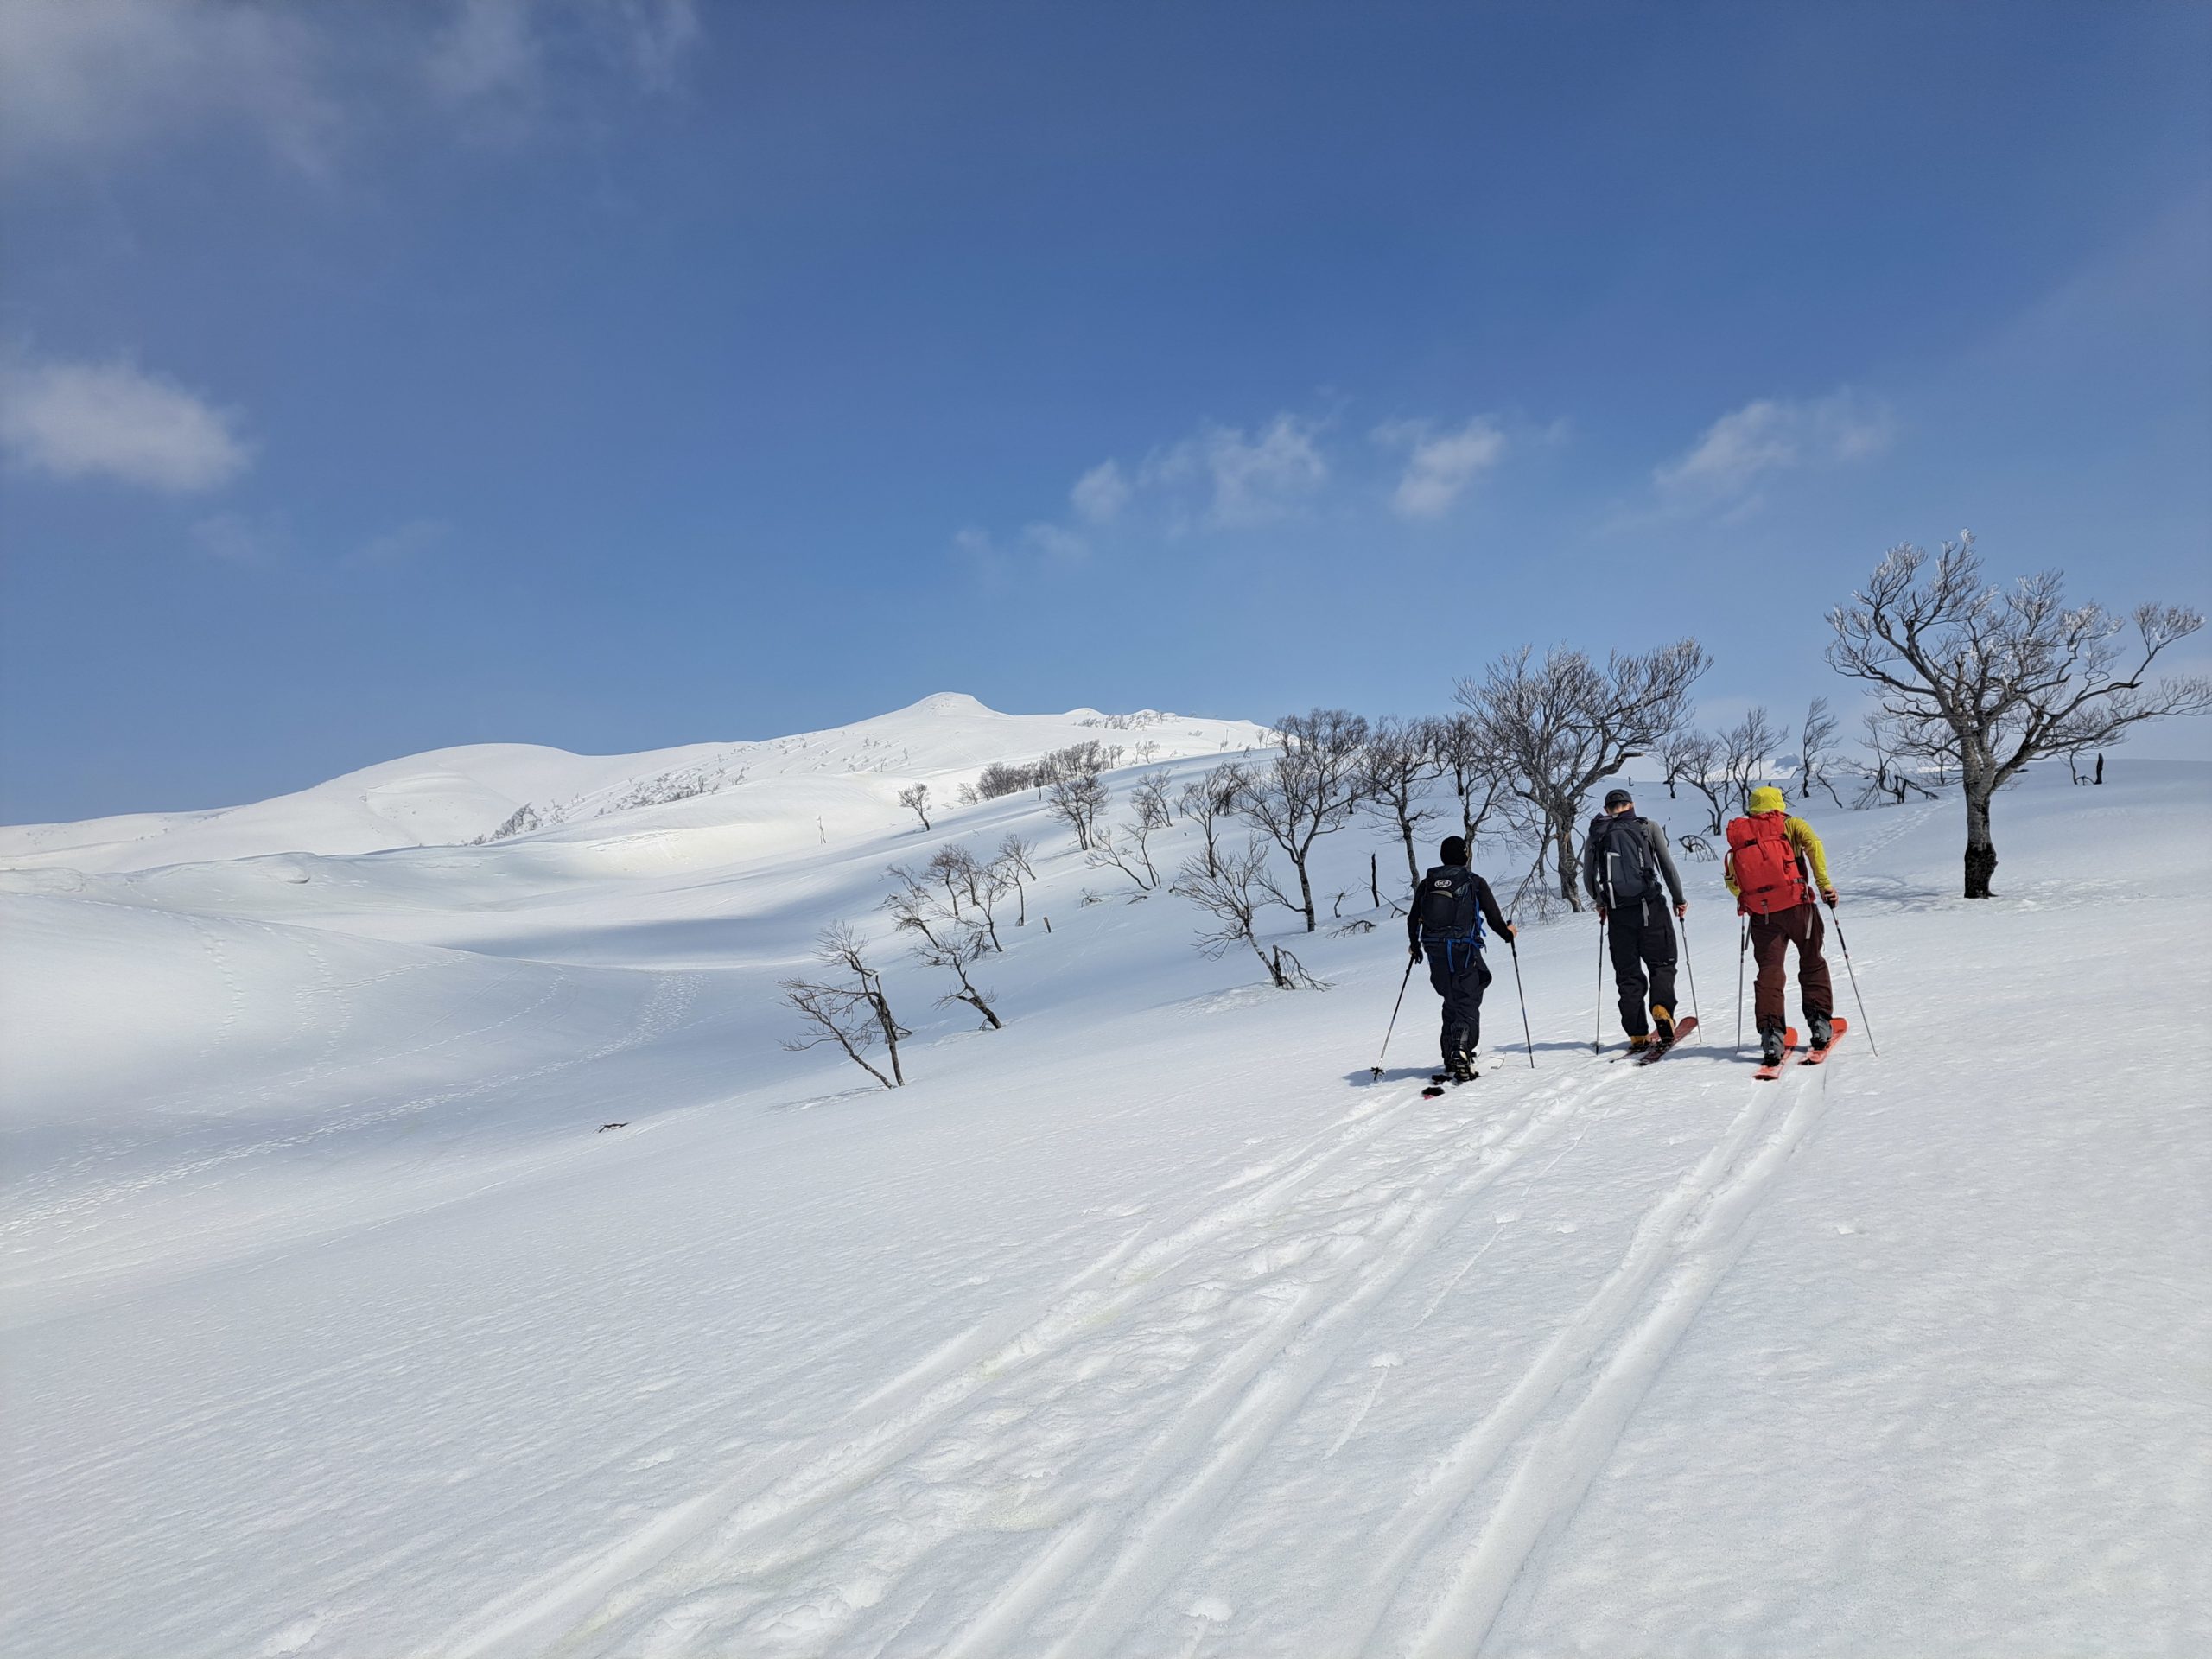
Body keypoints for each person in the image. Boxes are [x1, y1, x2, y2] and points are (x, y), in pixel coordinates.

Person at [1724, 785, 1840, 1065]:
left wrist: (1746, 899)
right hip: (1798, 907)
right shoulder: (1791, 824)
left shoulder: (1742, 834)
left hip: (1762, 916)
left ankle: (1772, 1039)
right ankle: (1820, 1027)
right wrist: (1824, 885)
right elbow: (1814, 844)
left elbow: (1730, 877)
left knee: (1770, 973)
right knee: (1811, 960)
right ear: (1779, 803)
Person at [1581, 786, 1688, 1051]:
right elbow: (1667, 866)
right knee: (1662, 963)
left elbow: (1587, 876)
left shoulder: (1597, 832)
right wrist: (1679, 899)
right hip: (1651, 908)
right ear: (1630, 805)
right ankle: (1662, 1009)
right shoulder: (1647, 827)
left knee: (1627, 974)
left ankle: (1637, 1034)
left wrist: (1601, 901)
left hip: (1618, 913)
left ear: (1608, 810)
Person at [1408, 835, 1516, 1083]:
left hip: (1435, 950)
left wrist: (1415, 945)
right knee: (1467, 998)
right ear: (1465, 855)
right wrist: (1508, 935)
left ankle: (1450, 1054)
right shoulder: (1474, 881)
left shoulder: (1428, 884)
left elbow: (1413, 918)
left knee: (1450, 999)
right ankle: (1462, 1050)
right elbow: (1493, 917)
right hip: (1464, 949)